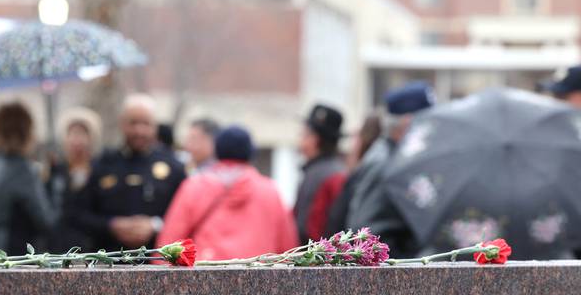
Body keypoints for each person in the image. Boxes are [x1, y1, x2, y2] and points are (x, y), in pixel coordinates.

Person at [157, 126, 298, 260]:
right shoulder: (270, 191)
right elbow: (288, 248)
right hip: (261, 278)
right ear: (250, 153)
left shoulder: (194, 187)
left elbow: (169, 243)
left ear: (217, 150)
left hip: (204, 276)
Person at [70, 94, 186, 250]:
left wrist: (155, 225)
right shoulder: (102, 164)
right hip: (108, 261)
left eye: (145, 123)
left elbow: (186, 215)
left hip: (159, 261)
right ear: (122, 124)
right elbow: (79, 214)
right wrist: (112, 225)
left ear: (155, 126)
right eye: (133, 123)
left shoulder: (174, 167)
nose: (139, 130)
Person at [327, 81, 434, 241]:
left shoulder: (394, 157)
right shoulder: (384, 163)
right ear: (407, 122)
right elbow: (365, 231)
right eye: (428, 119)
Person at [0, 102, 56, 255]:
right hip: (10, 260)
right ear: (26, 133)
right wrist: (54, 183)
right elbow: (46, 221)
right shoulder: (22, 170)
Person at [45, 107, 102, 252]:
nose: (77, 141)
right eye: (73, 134)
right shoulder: (56, 170)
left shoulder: (99, 170)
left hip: (91, 246)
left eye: (82, 134)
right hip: (59, 247)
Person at [294, 104, 346, 243]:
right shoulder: (329, 171)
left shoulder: (332, 176)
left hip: (316, 259)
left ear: (315, 139)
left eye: (304, 134)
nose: (300, 138)